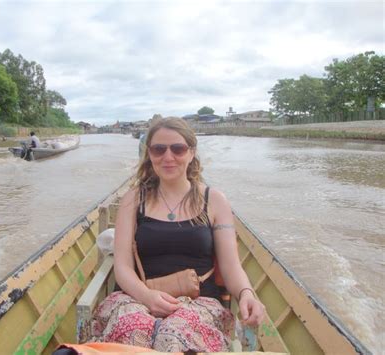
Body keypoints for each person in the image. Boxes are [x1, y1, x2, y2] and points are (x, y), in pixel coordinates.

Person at [90, 117, 265, 352]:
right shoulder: (134, 199)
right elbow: (122, 267)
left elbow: (231, 266)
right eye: (159, 149)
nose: (168, 157)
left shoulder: (214, 200)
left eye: (178, 149)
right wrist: (148, 296)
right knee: (133, 330)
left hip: (198, 302)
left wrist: (246, 293)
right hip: (136, 296)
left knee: (174, 335)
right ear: (149, 154)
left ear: (191, 153)